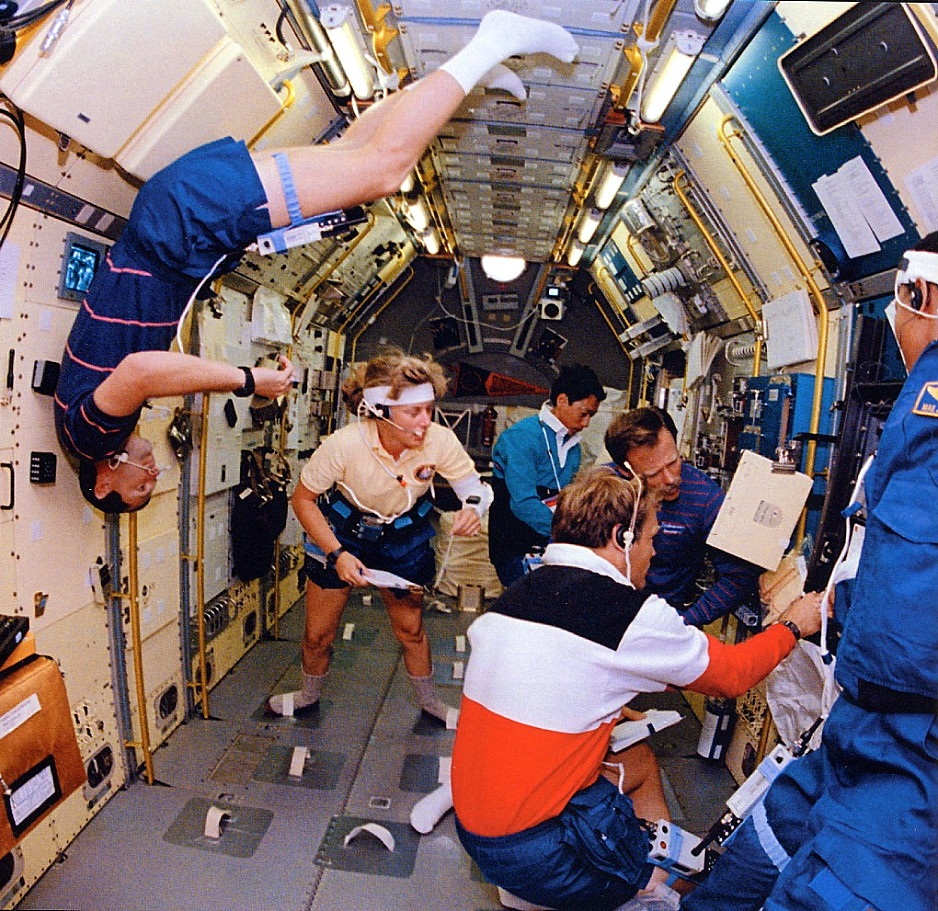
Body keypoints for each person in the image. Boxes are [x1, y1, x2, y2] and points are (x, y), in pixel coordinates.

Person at [53, 10, 580, 513]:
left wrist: (248, 380)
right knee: (352, 153)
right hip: (181, 218)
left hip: (186, 224)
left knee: (383, 171)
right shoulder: (89, 422)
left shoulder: (90, 437)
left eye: (138, 489)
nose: (152, 477)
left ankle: (493, 42)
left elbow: (141, 371)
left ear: (103, 482)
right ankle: (476, 71)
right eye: (150, 488)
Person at [681, 233, 938, 911]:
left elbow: (907, 617)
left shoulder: (930, 403)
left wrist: (828, 627)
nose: (896, 321)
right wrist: (836, 608)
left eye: (901, 301)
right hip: (856, 733)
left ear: (921, 293)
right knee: (750, 856)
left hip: (904, 749)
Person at [451, 468, 824, 911]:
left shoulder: (518, 595)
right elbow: (733, 674)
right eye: (650, 539)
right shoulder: (627, 614)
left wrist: (608, 709)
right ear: (620, 538)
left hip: (476, 828)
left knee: (638, 760)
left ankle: (643, 863)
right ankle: (649, 886)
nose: (653, 552)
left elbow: (543, 682)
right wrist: (793, 625)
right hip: (536, 853)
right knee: (686, 886)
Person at [265, 350, 492, 724]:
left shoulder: (438, 440)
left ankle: (430, 703)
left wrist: (473, 508)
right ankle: (308, 695)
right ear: (380, 411)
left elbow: (473, 488)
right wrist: (336, 554)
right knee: (318, 634)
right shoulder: (344, 444)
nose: (425, 421)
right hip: (342, 535)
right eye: (413, 412)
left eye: (429, 409)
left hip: (403, 538)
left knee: (411, 630)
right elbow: (303, 500)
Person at [605, 407, 760, 627]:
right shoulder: (601, 493)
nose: (670, 479)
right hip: (605, 614)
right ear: (625, 471)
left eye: (673, 462)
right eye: (654, 473)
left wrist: (685, 623)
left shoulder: (705, 499)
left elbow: (739, 576)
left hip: (667, 621)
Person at [488, 364, 606, 586]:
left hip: (551, 543)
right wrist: (567, 535)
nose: (586, 423)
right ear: (562, 400)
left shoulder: (574, 447)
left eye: (591, 416)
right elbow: (523, 503)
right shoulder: (521, 437)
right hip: (514, 545)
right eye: (584, 414)